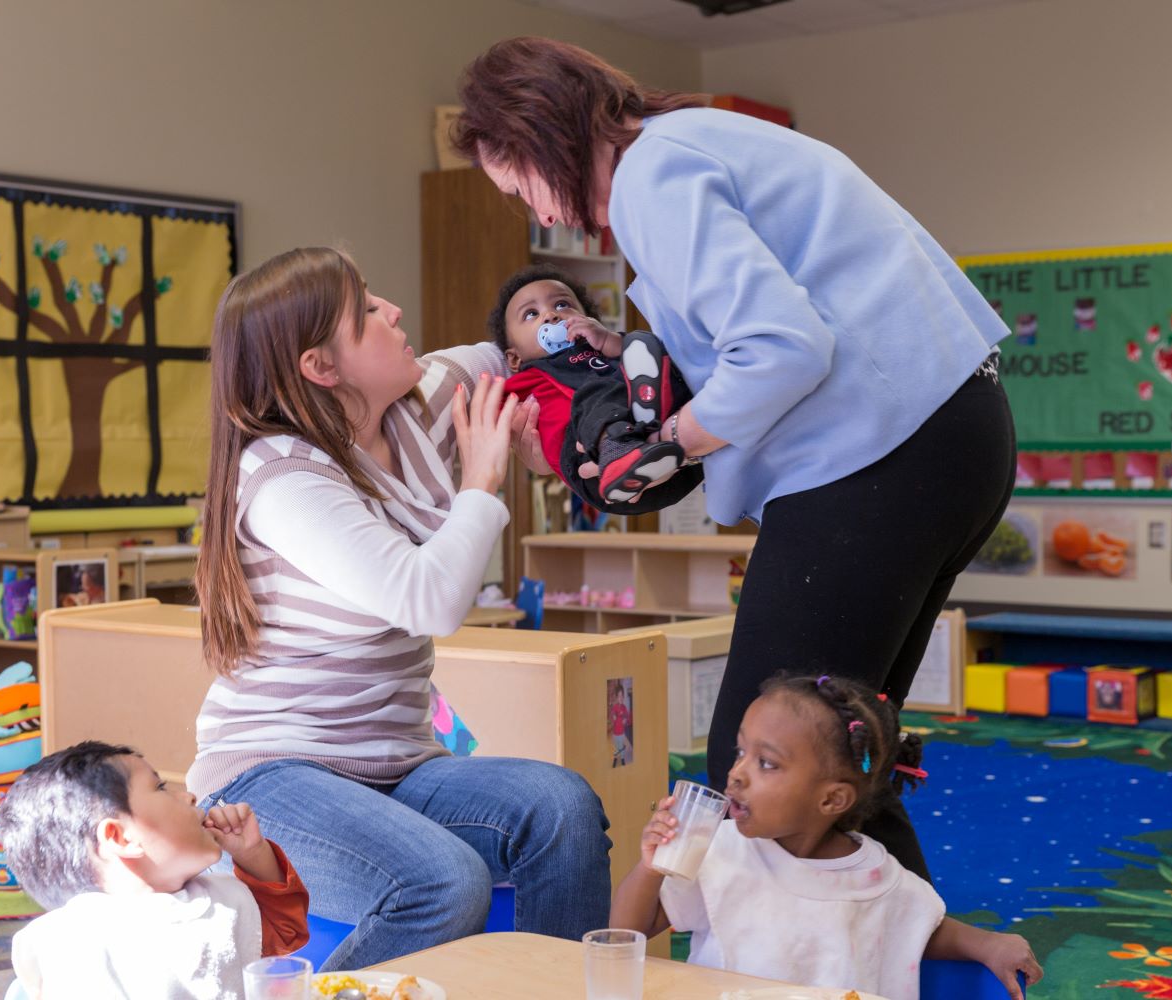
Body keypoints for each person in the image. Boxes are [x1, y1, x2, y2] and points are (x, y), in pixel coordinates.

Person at [454, 38, 1017, 880]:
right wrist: (644, 354)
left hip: (879, 452)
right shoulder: (696, 140)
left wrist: (664, 447)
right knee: (844, 756)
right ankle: (893, 958)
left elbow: (784, 350)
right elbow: (777, 324)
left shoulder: (653, 175)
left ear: (539, 136)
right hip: (947, 431)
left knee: (767, 757)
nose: (533, 207)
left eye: (517, 183)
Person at [192, 246, 612, 970]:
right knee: (443, 883)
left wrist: (583, 373)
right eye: (366, 313)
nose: (394, 312)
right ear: (322, 368)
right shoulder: (284, 475)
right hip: (275, 771)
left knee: (562, 809)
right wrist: (482, 480)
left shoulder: (427, 398)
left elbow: (534, 350)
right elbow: (428, 599)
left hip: (398, 763)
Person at [609, 676, 1042, 1000]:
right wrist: (651, 867)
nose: (737, 772)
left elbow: (915, 924)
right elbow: (625, 932)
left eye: (767, 763)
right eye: (741, 752)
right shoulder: (718, 850)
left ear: (832, 799)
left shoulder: (877, 876)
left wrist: (989, 944)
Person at [0, 740, 309, 999]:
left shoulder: (221, 901)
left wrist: (253, 853)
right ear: (121, 837)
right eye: (160, 788)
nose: (188, 796)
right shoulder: (78, 944)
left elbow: (284, 934)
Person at [491, 262, 703, 511]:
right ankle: (617, 448)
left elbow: (642, 355)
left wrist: (611, 341)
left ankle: (651, 414)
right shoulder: (526, 379)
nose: (551, 315)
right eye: (531, 314)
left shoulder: (604, 348)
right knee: (594, 391)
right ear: (514, 358)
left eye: (562, 304)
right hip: (597, 471)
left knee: (648, 346)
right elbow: (490, 413)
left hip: (679, 458)